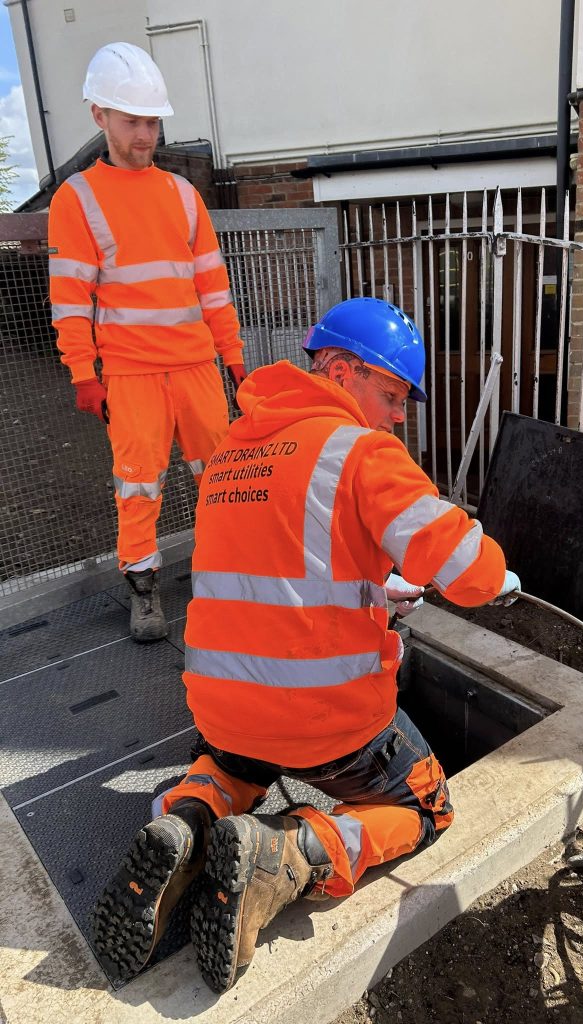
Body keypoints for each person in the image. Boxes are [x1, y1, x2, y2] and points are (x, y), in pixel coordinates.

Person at [91, 297, 521, 993]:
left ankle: (191, 819)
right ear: (343, 371)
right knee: (428, 805)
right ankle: (292, 853)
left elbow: (280, 577)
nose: (398, 415)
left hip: (222, 710)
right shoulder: (358, 450)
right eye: (390, 394)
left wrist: (375, 592)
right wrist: (500, 576)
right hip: (328, 724)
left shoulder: (233, 451)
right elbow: (466, 571)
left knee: (240, 758)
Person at [48, 42, 246, 642]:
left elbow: (214, 289)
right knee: (137, 488)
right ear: (99, 117)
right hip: (131, 376)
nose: (145, 134)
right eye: (132, 120)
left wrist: (235, 362)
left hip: (196, 368)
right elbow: (70, 299)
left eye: (153, 121)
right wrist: (83, 372)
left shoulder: (183, 196)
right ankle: (145, 592)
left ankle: (234, 576)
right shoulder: (75, 199)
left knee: (225, 478)